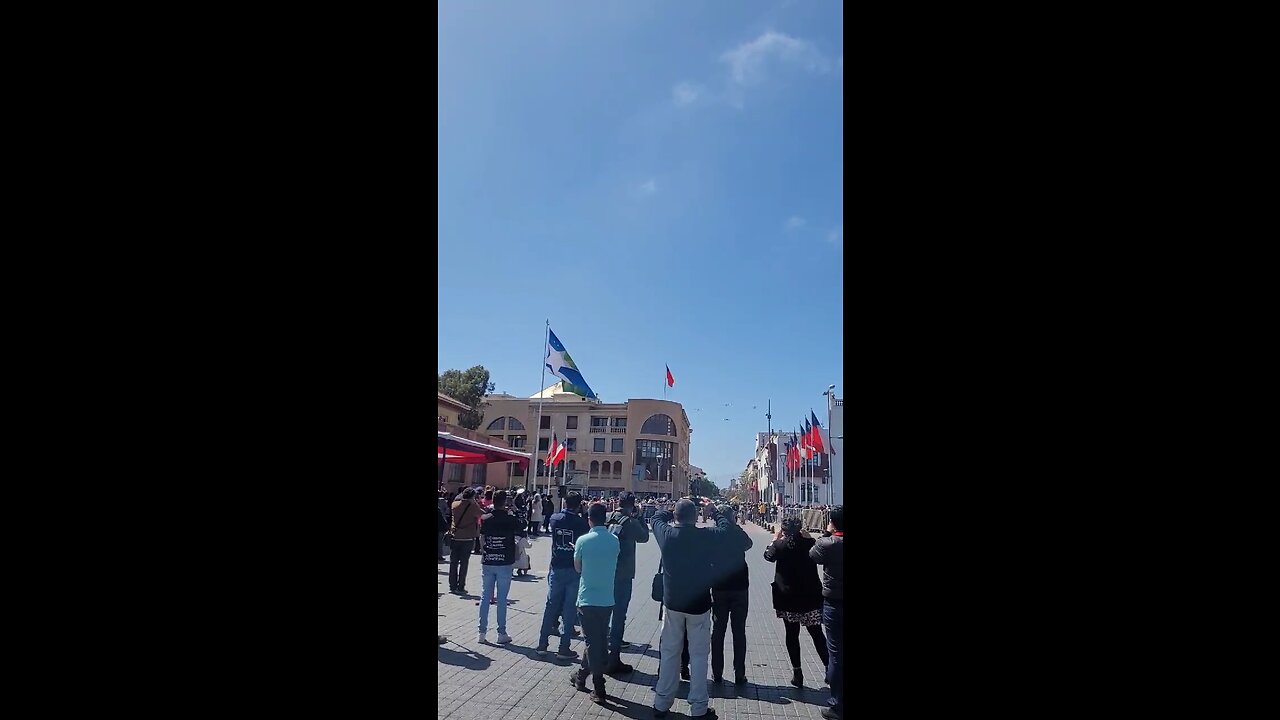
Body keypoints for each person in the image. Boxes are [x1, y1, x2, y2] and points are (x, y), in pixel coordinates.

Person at [651, 499, 723, 719]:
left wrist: (670, 512)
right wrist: (714, 511)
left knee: (670, 653)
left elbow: (655, 518)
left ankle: (662, 703)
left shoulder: (667, 535)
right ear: (696, 517)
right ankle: (699, 707)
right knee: (699, 656)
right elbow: (726, 529)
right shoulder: (706, 536)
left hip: (672, 603)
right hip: (699, 604)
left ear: (676, 517)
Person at [765, 516, 830, 688]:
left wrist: (774, 539)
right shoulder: (809, 544)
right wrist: (810, 538)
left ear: (784, 530)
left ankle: (797, 672)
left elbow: (768, 556)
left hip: (788, 598)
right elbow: (821, 547)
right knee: (817, 634)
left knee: (791, 634)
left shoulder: (779, 545)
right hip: (810, 597)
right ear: (801, 528)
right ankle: (829, 670)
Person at [570, 503, 619, 705]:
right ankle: (581, 676)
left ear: (589, 519)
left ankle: (599, 686)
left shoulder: (583, 540)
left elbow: (577, 568)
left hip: (587, 598)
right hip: (607, 598)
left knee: (592, 642)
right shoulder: (614, 540)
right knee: (597, 639)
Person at [537, 492, 588, 659]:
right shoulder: (581, 523)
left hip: (556, 566)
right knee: (569, 608)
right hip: (573, 568)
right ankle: (563, 647)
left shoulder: (555, 518)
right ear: (579, 505)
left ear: (565, 503)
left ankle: (542, 644)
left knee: (551, 605)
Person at [603, 492, 649, 674]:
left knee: (605, 614)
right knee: (619, 616)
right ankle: (613, 658)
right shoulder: (630, 523)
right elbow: (644, 537)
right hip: (623, 574)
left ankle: (601, 655)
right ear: (632, 505)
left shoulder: (609, 518)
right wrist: (640, 517)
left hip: (606, 572)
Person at [707, 504, 753, 685]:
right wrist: (736, 526)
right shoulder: (736, 533)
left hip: (719, 588)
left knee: (718, 631)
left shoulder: (714, 534)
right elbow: (748, 544)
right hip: (739, 588)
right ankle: (739, 673)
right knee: (738, 631)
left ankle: (717, 672)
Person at [477, 490, 525, 644]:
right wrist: (515, 511)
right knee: (502, 598)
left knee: (485, 596)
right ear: (505, 502)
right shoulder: (510, 519)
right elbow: (522, 527)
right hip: (504, 561)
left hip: (489, 559)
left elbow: (482, 535)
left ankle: (481, 632)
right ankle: (501, 632)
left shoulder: (487, 518)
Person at [810, 506, 844, 720]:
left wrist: (826, 533)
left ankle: (837, 704)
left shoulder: (827, 543)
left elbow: (813, 555)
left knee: (836, 654)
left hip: (834, 603)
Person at [448, 489, 483, 594]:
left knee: (453, 562)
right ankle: (461, 587)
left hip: (455, 536)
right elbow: (482, 514)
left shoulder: (455, 504)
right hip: (467, 538)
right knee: (464, 563)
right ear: (472, 497)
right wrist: (475, 503)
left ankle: (452, 586)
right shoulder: (473, 506)